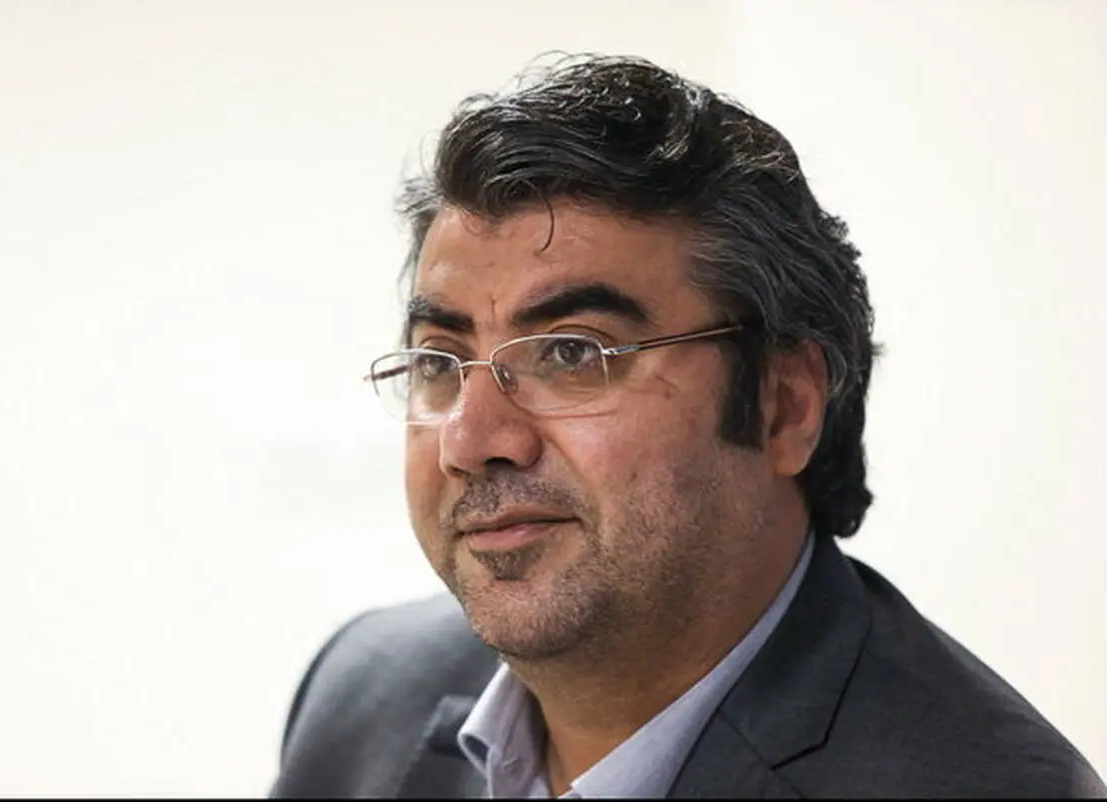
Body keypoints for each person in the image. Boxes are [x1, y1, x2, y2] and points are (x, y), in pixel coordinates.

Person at [270, 54, 1105, 798]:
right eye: (439, 362)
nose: (472, 440)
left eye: (572, 353)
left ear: (784, 406)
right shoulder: (362, 693)